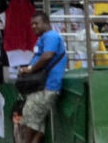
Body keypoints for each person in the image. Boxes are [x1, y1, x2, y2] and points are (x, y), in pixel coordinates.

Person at [13, 8, 69, 143]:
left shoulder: (51, 36)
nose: (33, 27)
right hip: (43, 88)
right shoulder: (45, 38)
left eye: (36, 23)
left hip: (47, 87)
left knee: (27, 124)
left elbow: (47, 56)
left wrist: (30, 69)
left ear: (46, 22)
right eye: (32, 24)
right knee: (37, 127)